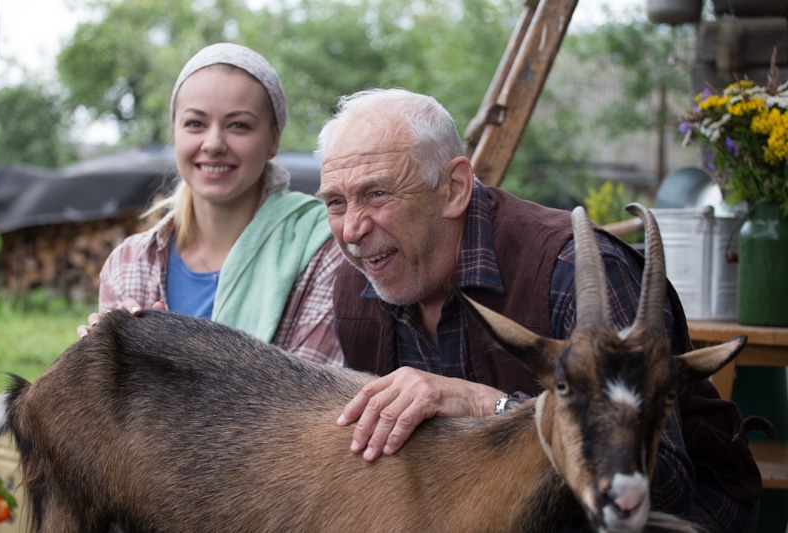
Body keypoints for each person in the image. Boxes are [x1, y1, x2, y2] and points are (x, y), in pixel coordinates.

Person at [315, 88, 762, 531]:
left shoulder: (579, 273)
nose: (352, 230)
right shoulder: (358, 284)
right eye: (336, 201)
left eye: (377, 194)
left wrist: (487, 404)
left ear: (453, 189)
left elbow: (663, 481)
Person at [78, 42, 343, 366]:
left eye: (239, 125)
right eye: (195, 124)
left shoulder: (322, 249)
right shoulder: (129, 264)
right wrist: (99, 362)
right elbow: (111, 413)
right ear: (174, 131)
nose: (214, 143)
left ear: (273, 139)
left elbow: (307, 404)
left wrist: (160, 362)